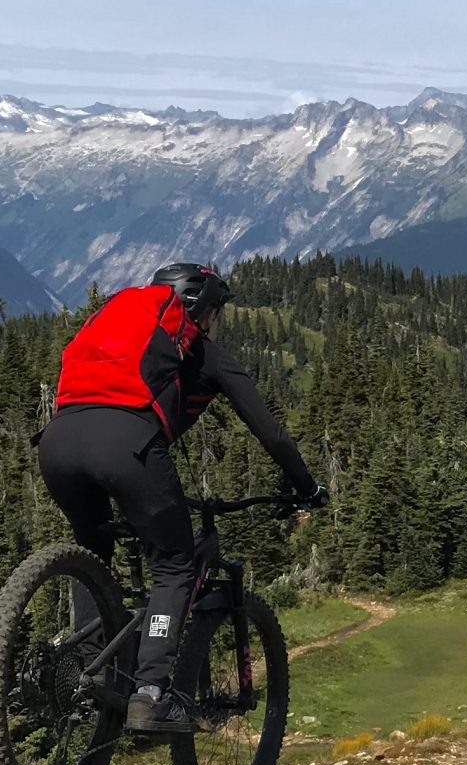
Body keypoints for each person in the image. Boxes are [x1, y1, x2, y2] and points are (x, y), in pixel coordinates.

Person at [39, 262, 323, 734]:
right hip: (125, 442)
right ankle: (151, 693)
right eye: (214, 313)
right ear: (201, 309)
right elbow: (269, 431)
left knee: (93, 552)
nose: (213, 324)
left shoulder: (127, 336)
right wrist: (306, 487)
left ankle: (91, 681)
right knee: (174, 564)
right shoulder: (204, 353)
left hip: (57, 439)